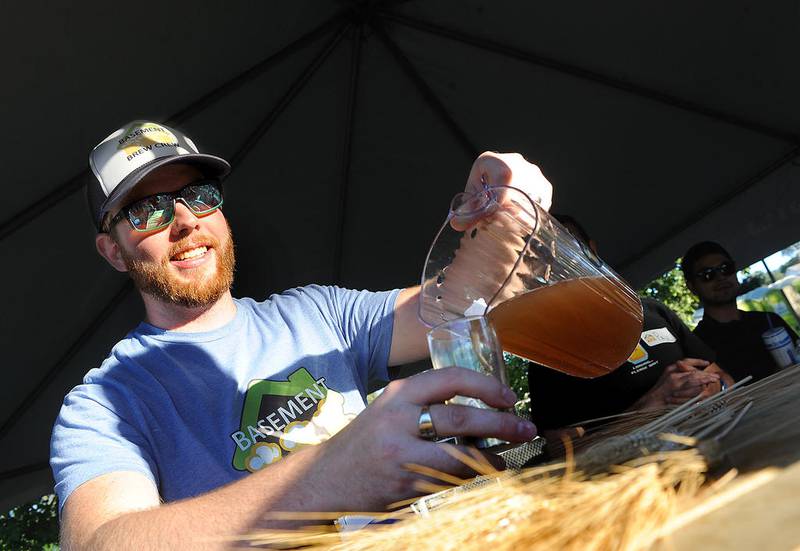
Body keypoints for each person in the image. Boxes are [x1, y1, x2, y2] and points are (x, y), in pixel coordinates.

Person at [50, 121, 549, 549]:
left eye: (198, 196)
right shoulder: (104, 403)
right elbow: (101, 541)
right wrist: (325, 476)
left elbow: (462, 301)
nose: (184, 220)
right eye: (147, 210)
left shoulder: (315, 312)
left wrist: (508, 211)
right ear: (113, 251)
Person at [526, 216, 733, 433]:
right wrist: (652, 406)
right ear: (536, 268)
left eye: (567, 244)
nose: (560, 258)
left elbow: (723, 378)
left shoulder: (651, 309)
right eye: (543, 252)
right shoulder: (545, 355)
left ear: (592, 249)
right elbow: (561, 451)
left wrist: (712, 387)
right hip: (648, 465)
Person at [682, 241, 799, 382]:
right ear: (692, 287)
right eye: (707, 274)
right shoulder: (697, 346)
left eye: (726, 268)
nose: (720, 277)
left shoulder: (769, 320)